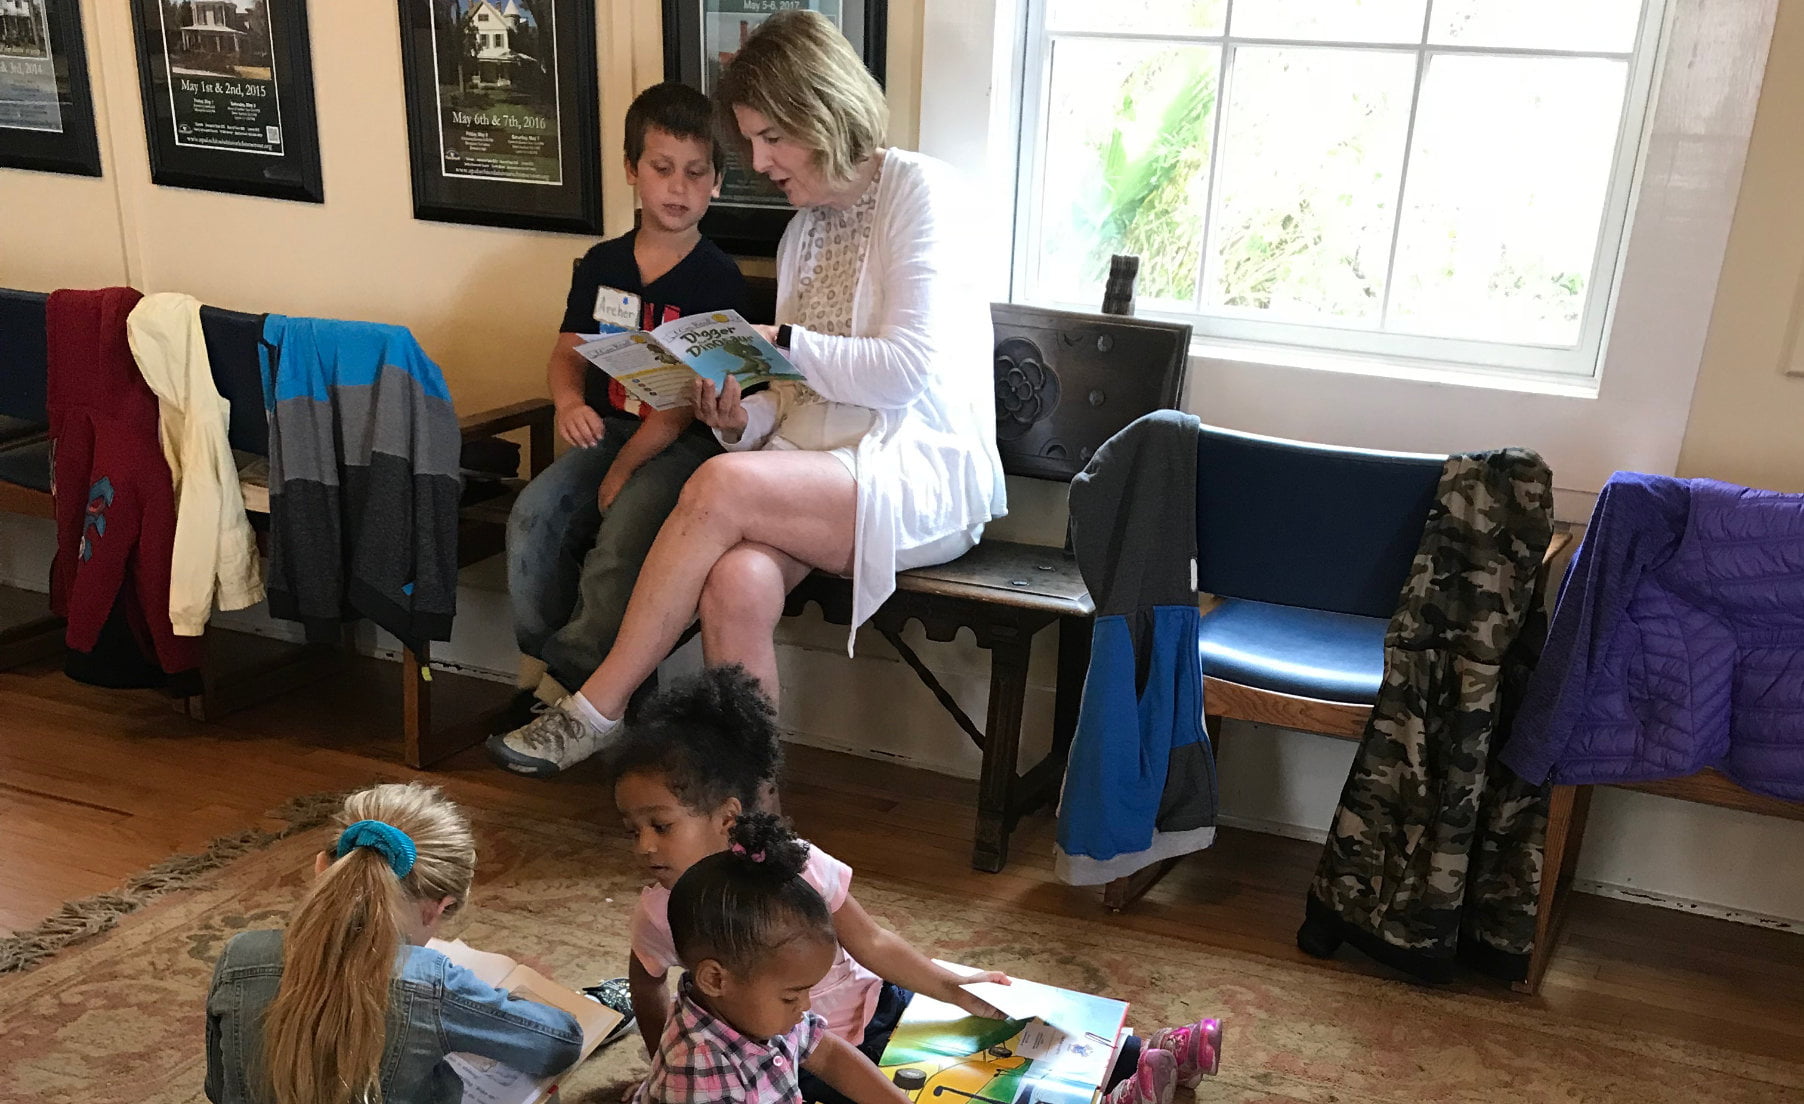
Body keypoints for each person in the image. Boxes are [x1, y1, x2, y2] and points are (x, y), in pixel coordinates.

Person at [489, 10, 1007, 777]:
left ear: (820, 111)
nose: (760, 163)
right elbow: (788, 397)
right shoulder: (805, 231)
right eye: (752, 143)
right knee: (736, 583)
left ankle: (597, 706)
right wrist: (739, 414)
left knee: (720, 482)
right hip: (809, 468)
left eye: (771, 138)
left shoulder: (921, 194)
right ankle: (754, 825)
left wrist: (777, 347)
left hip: (911, 469)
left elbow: (905, 371)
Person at [613, 668, 1223, 1104]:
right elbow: (648, 980)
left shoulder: (789, 864)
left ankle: (1139, 1052)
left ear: (726, 816)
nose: (643, 846)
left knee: (996, 1015)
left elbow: (871, 941)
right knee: (968, 1084)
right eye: (632, 828)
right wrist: (661, 1053)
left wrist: (944, 985)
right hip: (812, 1057)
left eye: (660, 826)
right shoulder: (663, 913)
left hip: (878, 1008)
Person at [492, 80, 747, 744]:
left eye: (695, 173)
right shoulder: (603, 265)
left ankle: (576, 683)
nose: (677, 187)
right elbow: (566, 353)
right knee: (533, 517)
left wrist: (624, 469)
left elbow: (687, 403)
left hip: (678, 443)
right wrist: (569, 402)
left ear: (716, 182)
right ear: (633, 170)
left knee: (623, 533)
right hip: (609, 430)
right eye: (662, 168)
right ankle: (545, 668)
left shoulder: (718, 278)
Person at [203, 783, 585, 1104]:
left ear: (322, 867)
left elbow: (218, 1090)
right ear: (440, 907)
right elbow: (558, 1043)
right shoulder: (432, 982)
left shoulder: (240, 955)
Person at [641, 811, 913, 1104]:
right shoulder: (697, 1068)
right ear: (716, 979)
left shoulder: (751, 1009)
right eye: (791, 996)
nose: (806, 1005)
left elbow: (829, 1055)